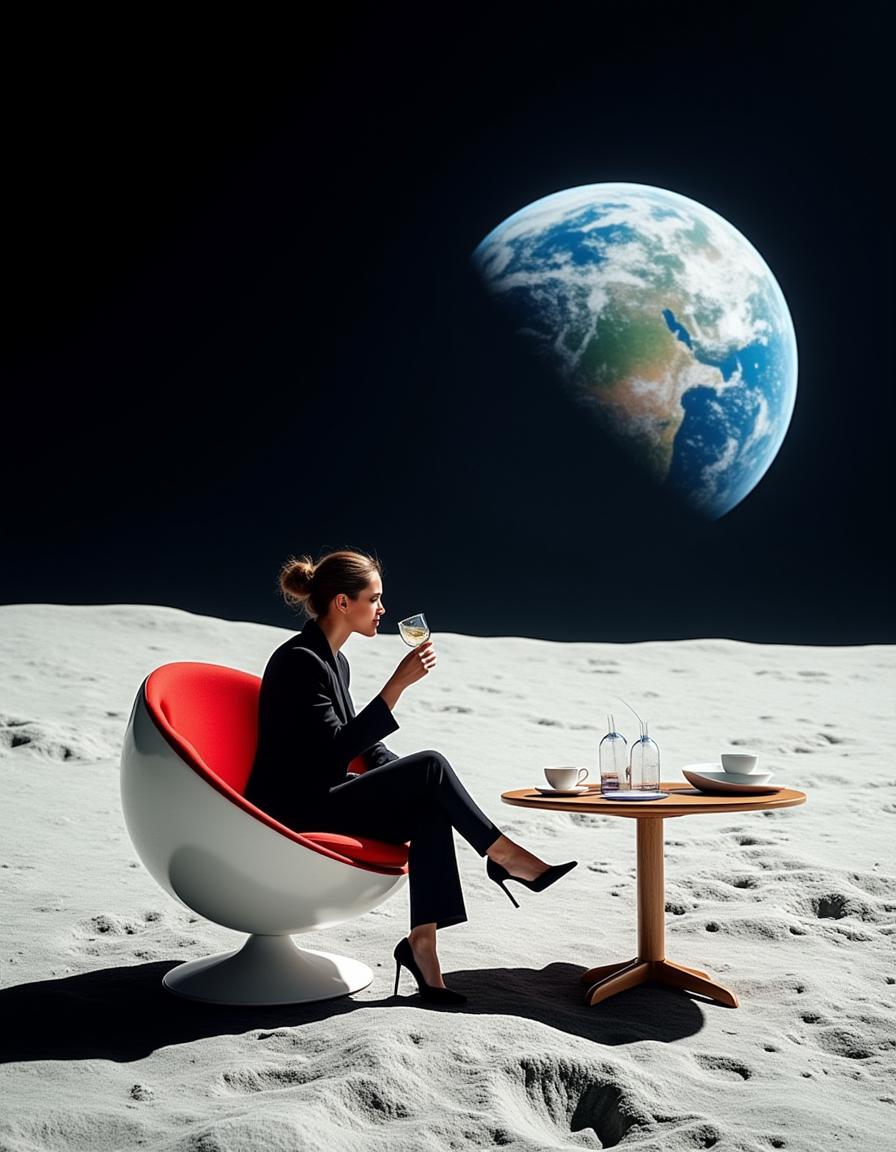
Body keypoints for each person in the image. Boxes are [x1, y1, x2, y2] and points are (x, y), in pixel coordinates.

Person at [245, 548, 578, 1006]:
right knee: (430, 766)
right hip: (291, 810)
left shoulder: (334, 661)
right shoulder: (300, 660)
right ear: (343, 603)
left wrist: (415, 778)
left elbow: (361, 747)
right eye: (375, 598)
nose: (383, 609)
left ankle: (421, 946)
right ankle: (502, 856)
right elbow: (333, 752)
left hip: (324, 794)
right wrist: (396, 687)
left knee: (429, 796)